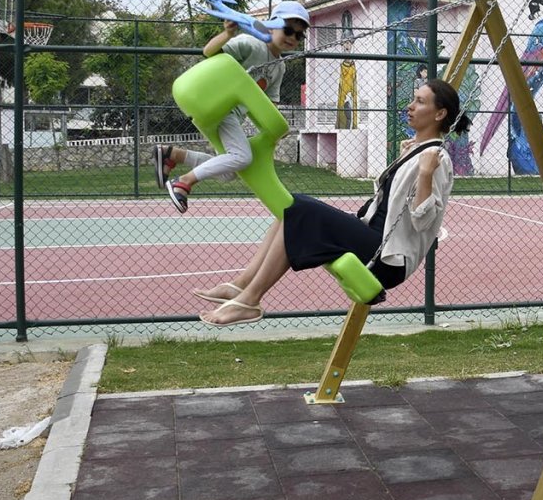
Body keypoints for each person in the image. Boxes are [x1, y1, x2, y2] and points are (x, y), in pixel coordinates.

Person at [197, 79, 471, 326]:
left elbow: (424, 222)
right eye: (413, 99)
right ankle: (242, 286)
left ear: (439, 114)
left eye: (420, 101)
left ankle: (249, 300)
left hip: (387, 259)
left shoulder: (437, 160)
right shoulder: (417, 150)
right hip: (371, 235)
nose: (410, 106)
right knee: (289, 209)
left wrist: (425, 174)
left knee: (300, 208)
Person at [154, 0, 310, 213]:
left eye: (299, 35)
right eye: (288, 30)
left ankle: (172, 155)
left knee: (229, 171)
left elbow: (270, 103)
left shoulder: (279, 67)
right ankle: (183, 182)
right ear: (271, 26)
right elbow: (209, 52)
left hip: (234, 116)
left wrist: (276, 128)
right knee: (242, 157)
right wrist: (227, 34)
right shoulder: (251, 43)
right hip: (219, 104)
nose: (292, 38)